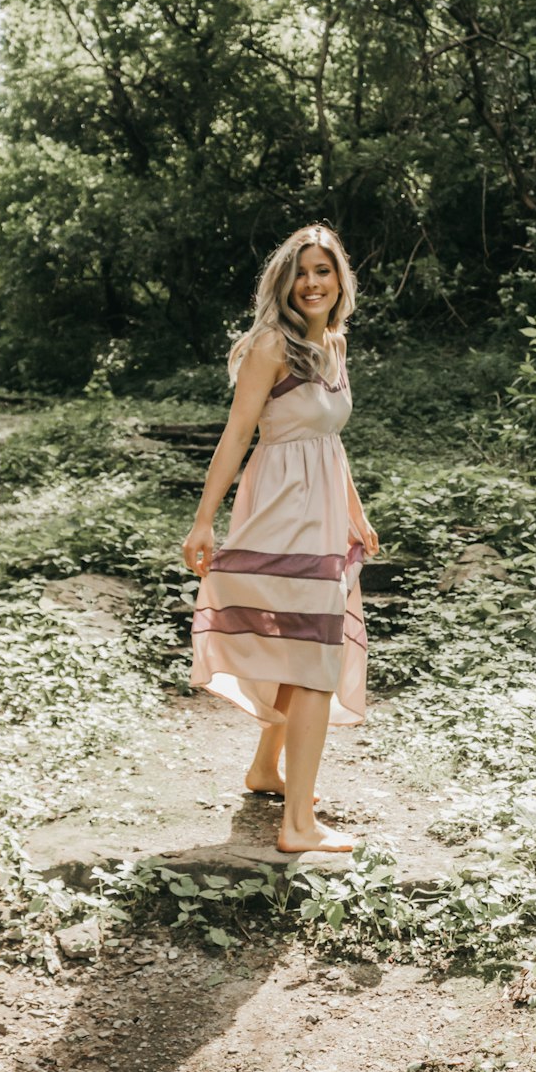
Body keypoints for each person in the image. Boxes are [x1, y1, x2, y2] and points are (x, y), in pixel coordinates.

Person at [182, 224, 379, 854]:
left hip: (321, 511)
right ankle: (298, 825)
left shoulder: (336, 345)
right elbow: (238, 434)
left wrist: (356, 511)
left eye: (323, 271)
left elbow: (328, 440)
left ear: (339, 279)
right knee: (316, 655)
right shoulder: (272, 346)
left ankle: (266, 769)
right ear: (284, 282)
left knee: (303, 646)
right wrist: (204, 520)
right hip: (281, 511)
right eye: (301, 272)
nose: (312, 283)